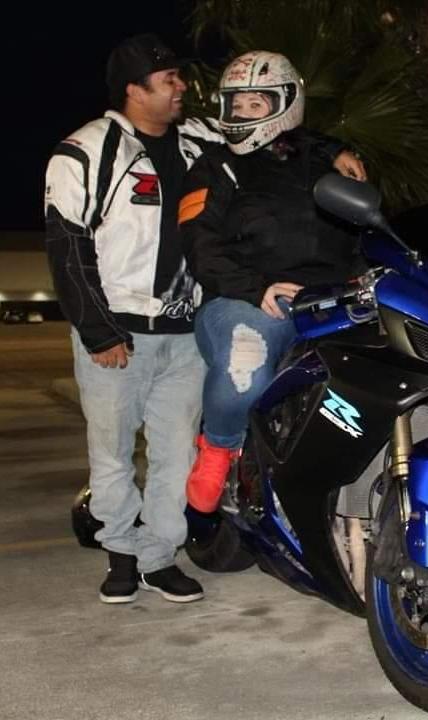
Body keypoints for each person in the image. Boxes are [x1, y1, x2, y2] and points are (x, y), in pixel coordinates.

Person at [45, 36, 365, 604]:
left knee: (174, 454)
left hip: (183, 330)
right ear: (134, 90)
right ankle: (121, 554)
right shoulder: (85, 151)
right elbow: (67, 247)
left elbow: (280, 131)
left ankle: (159, 556)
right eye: (168, 79)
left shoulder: (200, 138)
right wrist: (98, 331)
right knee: (113, 453)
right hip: (118, 330)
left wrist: (336, 148)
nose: (182, 87)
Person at [179, 51, 368, 514]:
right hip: (247, 300)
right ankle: (219, 447)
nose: (242, 113)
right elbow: (200, 245)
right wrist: (255, 287)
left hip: (331, 300)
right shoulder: (214, 166)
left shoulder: (325, 163)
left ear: (286, 103)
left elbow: (363, 230)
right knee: (245, 361)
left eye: (255, 104)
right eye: (236, 104)